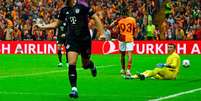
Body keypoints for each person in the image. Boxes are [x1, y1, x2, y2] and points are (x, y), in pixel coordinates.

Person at [35, 0, 104, 98]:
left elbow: (95, 17)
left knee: (85, 65)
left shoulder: (82, 5)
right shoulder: (64, 10)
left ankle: (91, 65)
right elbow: (56, 24)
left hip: (85, 39)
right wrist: (42, 26)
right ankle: (74, 89)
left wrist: (102, 33)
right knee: (72, 64)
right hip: (72, 39)